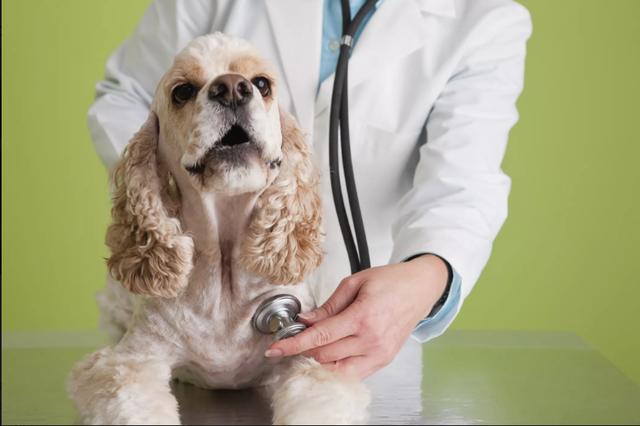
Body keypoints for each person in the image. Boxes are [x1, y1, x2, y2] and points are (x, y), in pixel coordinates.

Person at [89, 0, 532, 380]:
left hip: (365, 340)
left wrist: (425, 278)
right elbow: (126, 96)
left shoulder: (486, 19)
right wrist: (174, 194)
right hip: (187, 324)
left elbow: (463, 185)